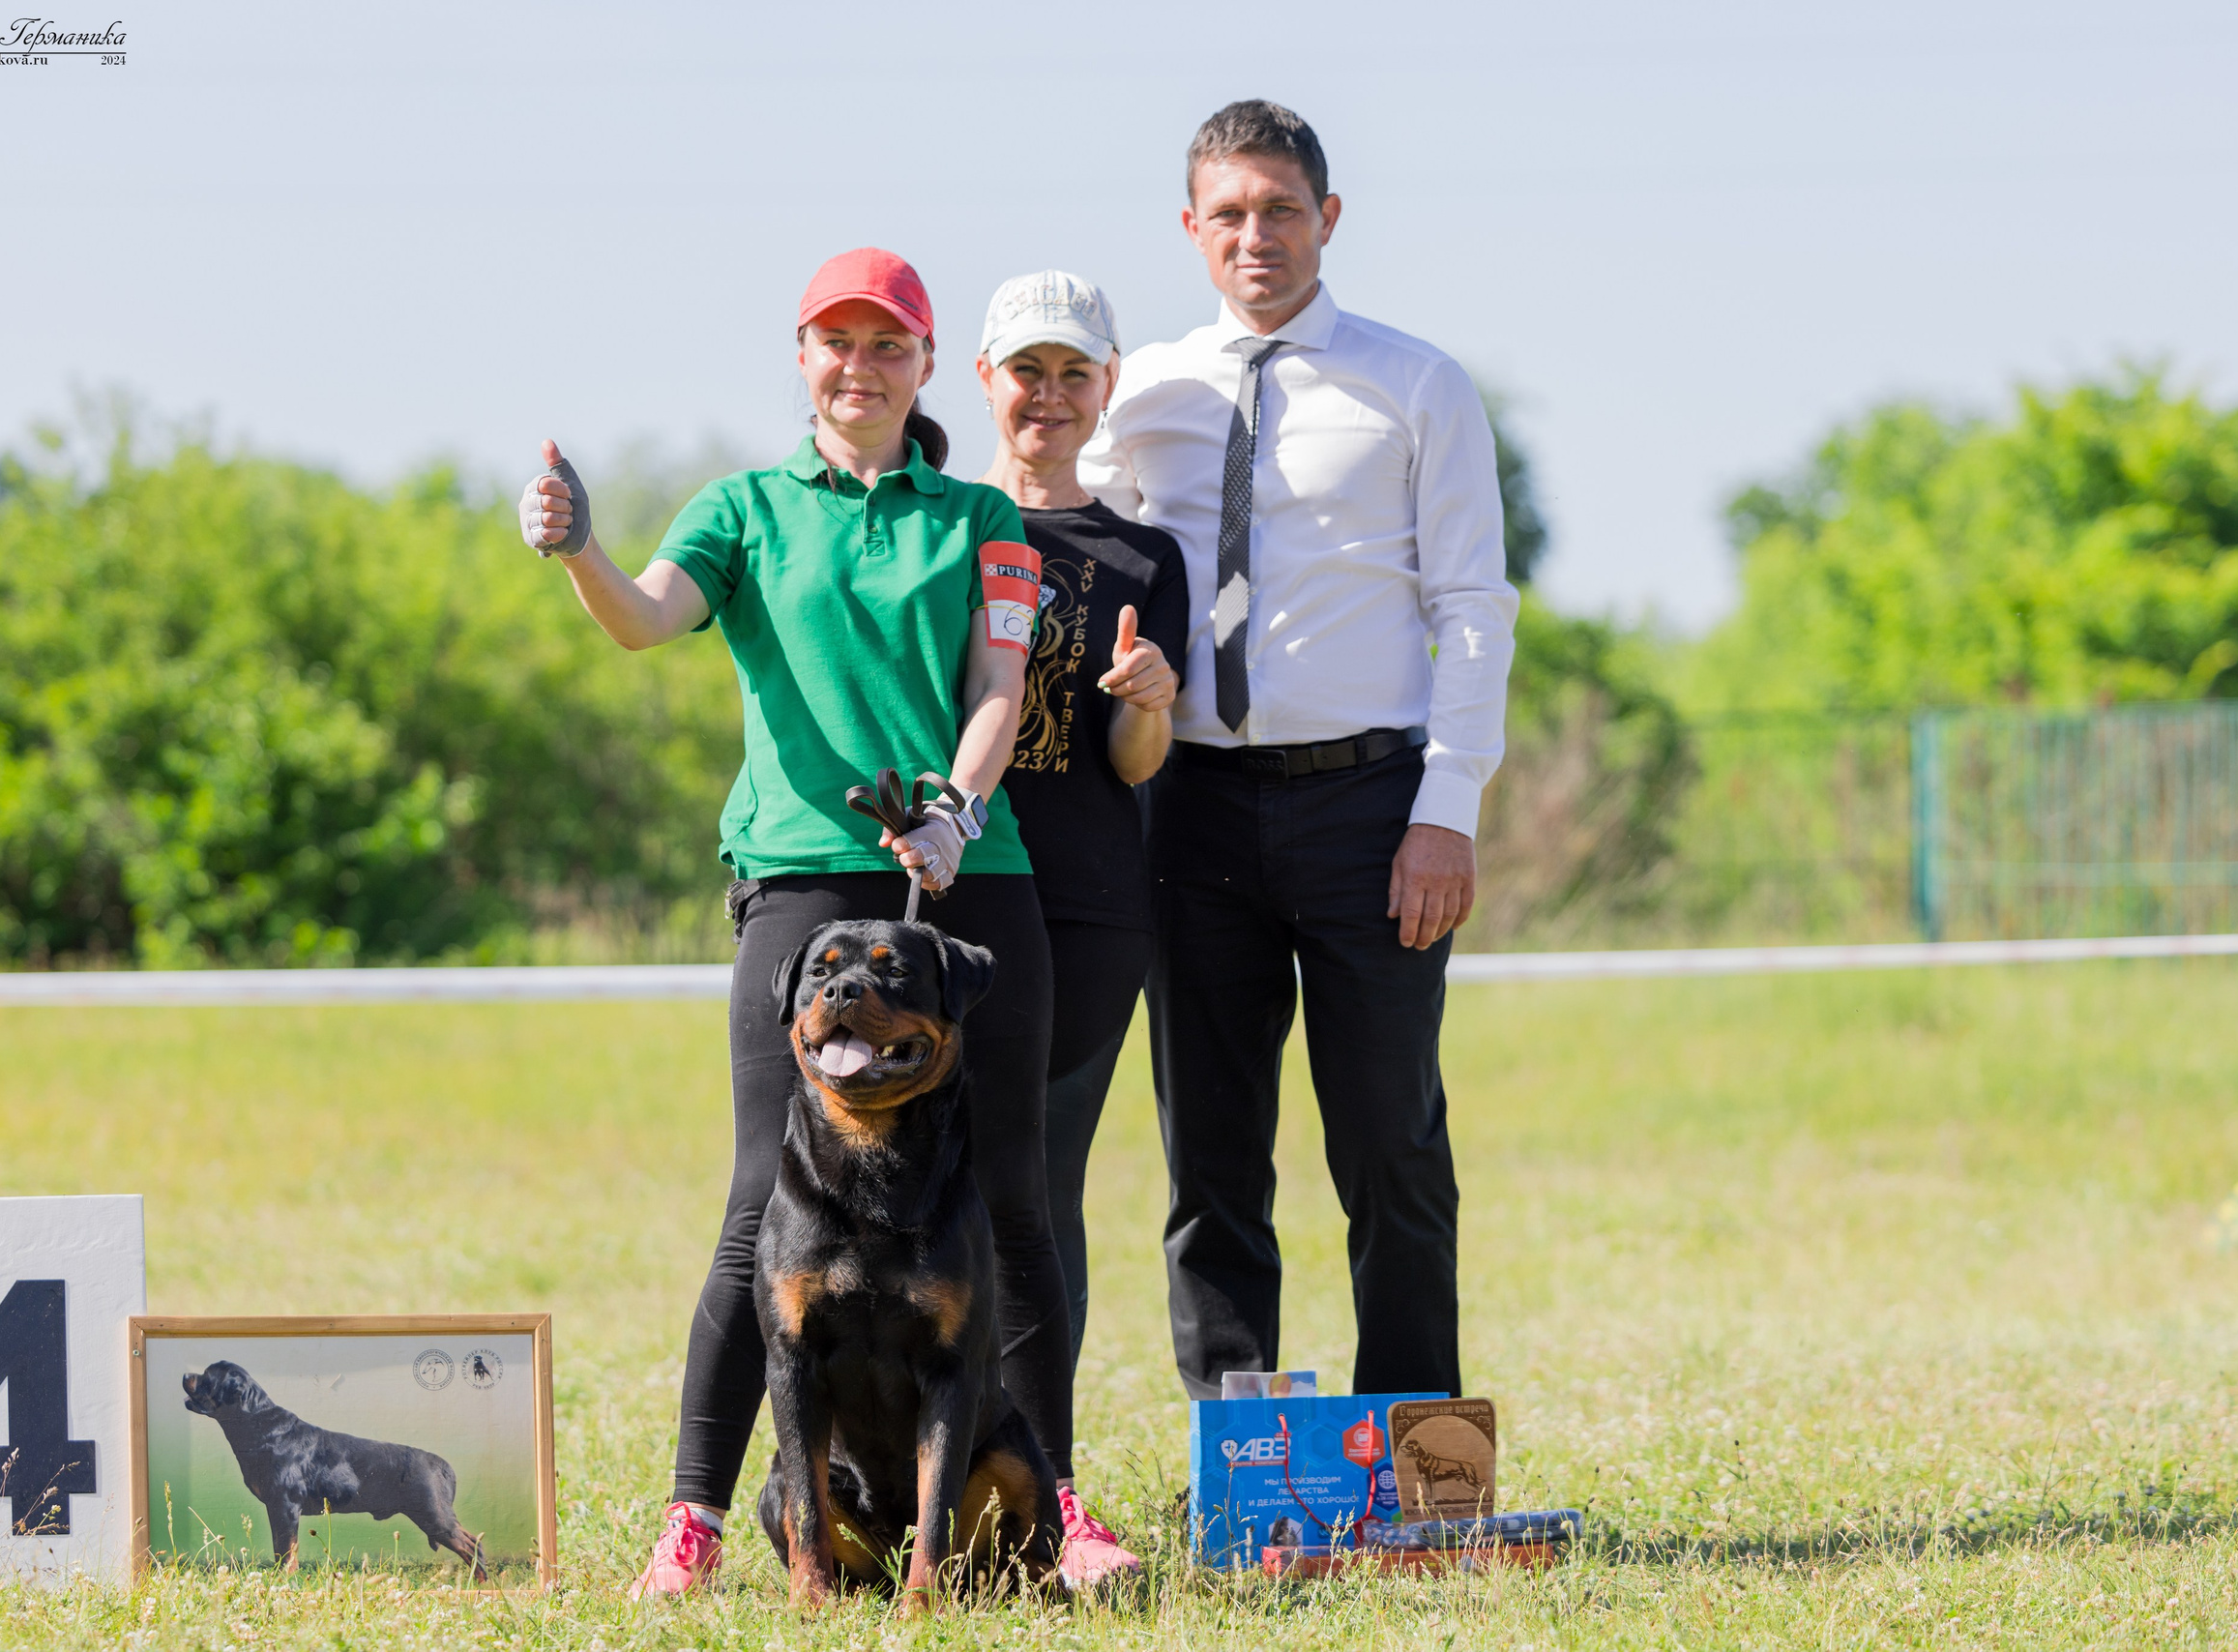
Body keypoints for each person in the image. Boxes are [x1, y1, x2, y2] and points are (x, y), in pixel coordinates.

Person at [518, 248, 1127, 1596]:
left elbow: (997, 682)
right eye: (834, 344)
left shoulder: (984, 518)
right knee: (759, 1210)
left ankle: (1058, 1503)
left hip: (968, 877)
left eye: (888, 346)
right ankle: (697, 1519)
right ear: (803, 357)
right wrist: (580, 551)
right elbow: (644, 621)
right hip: (800, 877)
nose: (860, 367)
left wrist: (962, 811)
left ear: (924, 367)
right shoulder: (740, 506)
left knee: (1016, 1202)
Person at [1077, 103, 1518, 1401]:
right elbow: (1056, 524)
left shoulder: (1417, 383)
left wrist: (1451, 809)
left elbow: (1474, 609)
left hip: (1373, 810)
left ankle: (1417, 1457)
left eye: (1281, 209)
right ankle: (1242, 1453)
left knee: (1390, 1141)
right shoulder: (1142, 391)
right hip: (1190, 808)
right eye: (1230, 213)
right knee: (1210, 1156)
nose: (1255, 235)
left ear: (1329, 218)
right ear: (1191, 230)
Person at [971, 275, 1187, 1554]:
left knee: (1042, 1195)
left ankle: (1044, 1490)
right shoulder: (938, 527)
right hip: (953, 895)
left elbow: (1136, 763)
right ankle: (905, 1476)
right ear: (985, 381)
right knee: (914, 1193)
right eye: (1026, 371)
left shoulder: (1142, 557)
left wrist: (1151, 693)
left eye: (1074, 374)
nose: (1049, 396)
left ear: (1105, 388)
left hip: (1094, 909)